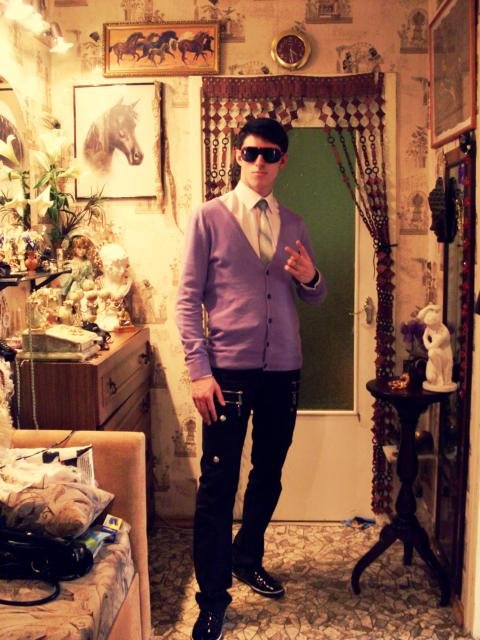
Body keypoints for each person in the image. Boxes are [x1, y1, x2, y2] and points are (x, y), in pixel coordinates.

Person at [176, 117, 327, 640]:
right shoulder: (208, 218)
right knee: (218, 485)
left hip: (283, 370)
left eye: (270, 153)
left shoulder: (296, 224)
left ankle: (247, 556)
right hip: (226, 373)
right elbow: (186, 300)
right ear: (236, 156)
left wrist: (312, 277)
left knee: (269, 472)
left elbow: (316, 295)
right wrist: (199, 371)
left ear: (283, 160)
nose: (259, 162)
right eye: (250, 153)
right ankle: (213, 599)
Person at [418, 303, 457, 392]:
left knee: (432, 352)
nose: (428, 328)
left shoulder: (444, 332)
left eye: (430, 326)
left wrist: (424, 337)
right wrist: (429, 307)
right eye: (428, 325)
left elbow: (430, 347)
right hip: (436, 359)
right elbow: (419, 316)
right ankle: (437, 377)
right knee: (430, 378)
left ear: (437, 322)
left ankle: (440, 377)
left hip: (445, 359)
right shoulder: (431, 326)